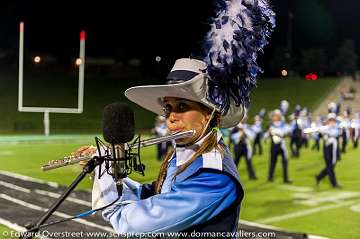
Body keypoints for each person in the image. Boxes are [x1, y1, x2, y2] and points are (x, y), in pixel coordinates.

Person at [85, 0, 275, 234]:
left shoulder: (213, 176)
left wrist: (108, 194)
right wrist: (106, 166)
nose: (171, 118)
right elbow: (155, 194)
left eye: (182, 106)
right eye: (168, 108)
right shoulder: (186, 155)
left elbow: (134, 224)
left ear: (208, 114)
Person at [265, 109, 292, 183]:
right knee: (272, 162)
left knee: (285, 162)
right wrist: (269, 133)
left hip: (282, 145)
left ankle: (285, 179)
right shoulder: (270, 125)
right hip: (274, 146)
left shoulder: (283, 124)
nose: (275, 117)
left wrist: (277, 132)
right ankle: (270, 178)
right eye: (274, 115)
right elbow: (265, 136)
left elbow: (288, 131)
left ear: (279, 116)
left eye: (277, 115)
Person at [315, 113, 341, 188]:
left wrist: (326, 131)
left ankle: (319, 177)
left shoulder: (336, 127)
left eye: (333, 120)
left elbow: (336, 134)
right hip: (327, 149)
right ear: (328, 121)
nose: (332, 122)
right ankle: (334, 183)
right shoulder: (324, 128)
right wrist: (320, 132)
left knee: (332, 166)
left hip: (335, 148)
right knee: (330, 166)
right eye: (330, 120)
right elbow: (318, 137)